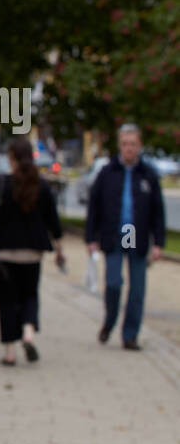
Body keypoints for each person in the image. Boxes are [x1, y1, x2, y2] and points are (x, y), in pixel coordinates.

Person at [0, 137, 64, 365]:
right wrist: (60, 250)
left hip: (3, 253)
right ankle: (28, 333)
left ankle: (10, 351)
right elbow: (54, 222)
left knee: (6, 300)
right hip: (32, 253)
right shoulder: (41, 185)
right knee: (30, 295)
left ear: (11, 158)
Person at [85, 123, 167, 350]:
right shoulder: (107, 172)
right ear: (119, 145)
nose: (129, 149)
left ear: (139, 145)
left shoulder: (148, 174)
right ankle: (109, 321)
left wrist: (159, 243)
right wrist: (90, 237)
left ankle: (130, 334)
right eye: (124, 144)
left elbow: (158, 211)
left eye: (133, 144)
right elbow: (94, 207)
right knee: (113, 284)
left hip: (137, 236)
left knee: (137, 290)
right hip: (115, 235)